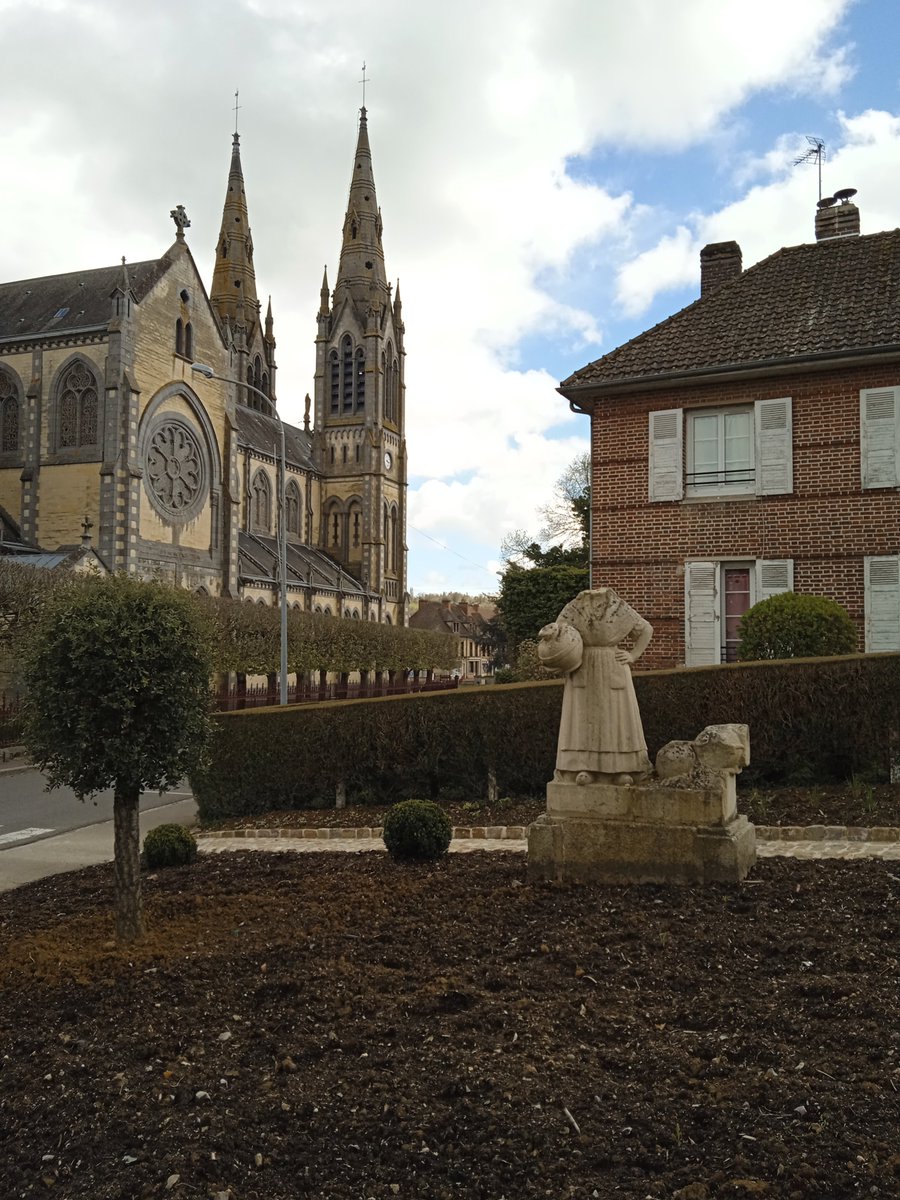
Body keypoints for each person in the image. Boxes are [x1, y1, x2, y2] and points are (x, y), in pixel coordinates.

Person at [538, 588, 652, 785]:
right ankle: (581, 767)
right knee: (582, 719)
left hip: (612, 665)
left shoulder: (618, 607)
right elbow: (557, 635)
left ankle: (622, 769)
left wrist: (633, 655)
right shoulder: (572, 608)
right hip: (582, 667)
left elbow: (645, 629)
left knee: (615, 719)